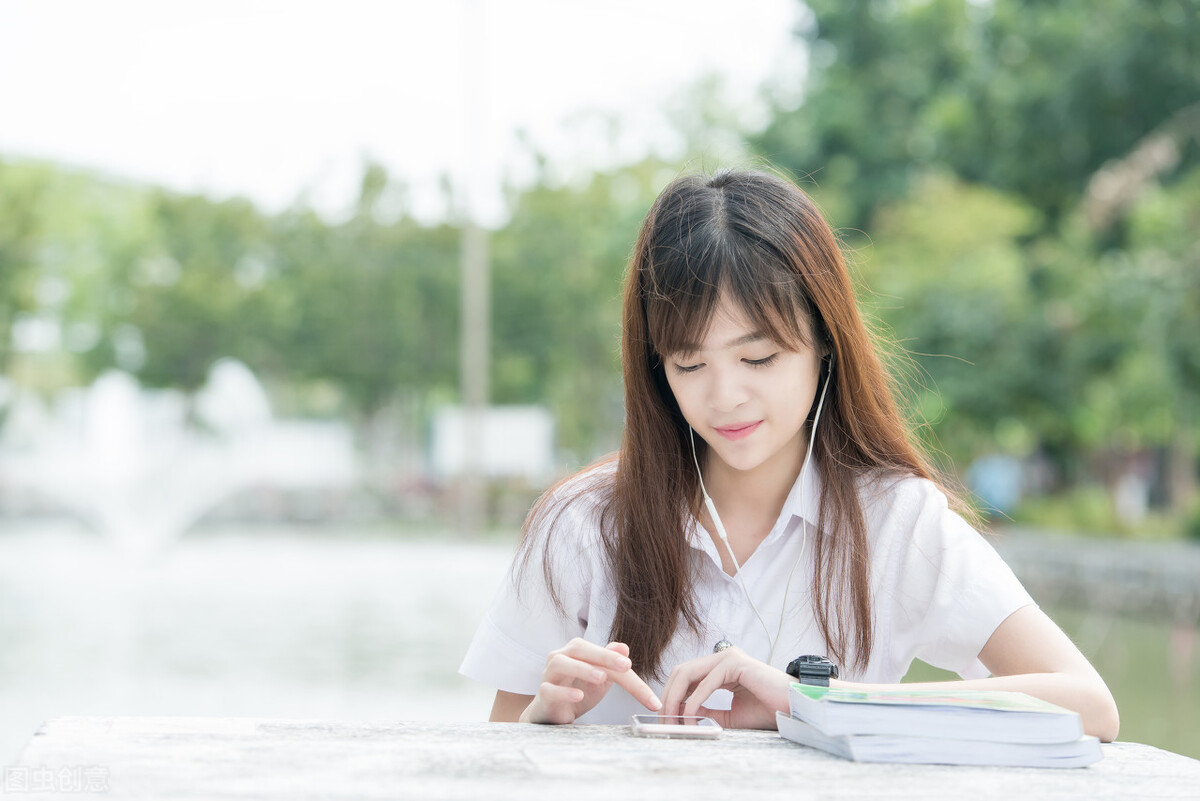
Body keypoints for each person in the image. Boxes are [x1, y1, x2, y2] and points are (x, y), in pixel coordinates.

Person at [459, 168, 1120, 741]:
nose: (725, 398)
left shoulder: (895, 522)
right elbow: (499, 750)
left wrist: (813, 699)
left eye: (759, 357)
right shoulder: (581, 525)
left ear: (824, 341)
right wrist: (543, 722)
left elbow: (1088, 704)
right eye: (689, 364)